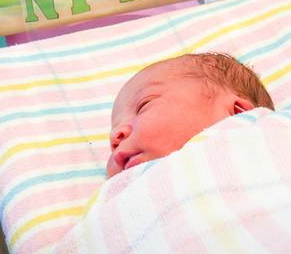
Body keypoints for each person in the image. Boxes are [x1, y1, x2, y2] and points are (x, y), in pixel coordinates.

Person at [106, 53, 274, 178]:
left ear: (239, 114)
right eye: (114, 128)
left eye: (144, 105)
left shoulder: (276, 137)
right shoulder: (117, 198)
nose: (115, 136)